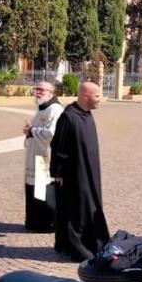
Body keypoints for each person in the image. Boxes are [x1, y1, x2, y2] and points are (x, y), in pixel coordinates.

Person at [50, 82, 109, 261]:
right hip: (74, 176)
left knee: (90, 206)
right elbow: (58, 148)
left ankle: (92, 241)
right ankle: (76, 247)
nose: (100, 99)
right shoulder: (68, 117)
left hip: (90, 172)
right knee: (77, 210)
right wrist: (57, 174)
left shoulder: (86, 114)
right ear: (85, 96)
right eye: (97, 96)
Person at [23, 81, 64, 233]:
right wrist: (30, 131)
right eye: (37, 89)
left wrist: (31, 130)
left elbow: (51, 133)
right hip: (35, 155)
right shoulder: (42, 108)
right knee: (33, 190)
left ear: (51, 93)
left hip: (44, 157)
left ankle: (46, 223)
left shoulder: (55, 109)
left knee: (42, 191)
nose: (38, 92)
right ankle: (34, 222)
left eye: (42, 90)